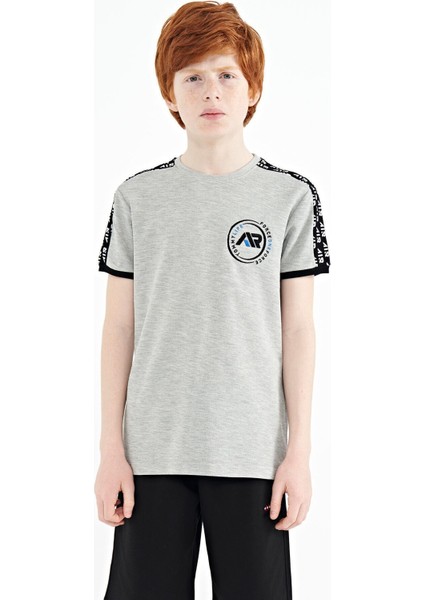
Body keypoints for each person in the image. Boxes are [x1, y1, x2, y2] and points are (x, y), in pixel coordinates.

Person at [94, 1, 330, 598]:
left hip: (252, 452)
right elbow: (118, 327)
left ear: (253, 88)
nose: (211, 91)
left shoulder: (291, 197)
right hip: (152, 453)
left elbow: (298, 330)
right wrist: (110, 450)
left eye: (226, 74)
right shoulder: (136, 199)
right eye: (192, 77)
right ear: (169, 94)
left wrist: (298, 454)